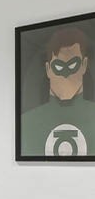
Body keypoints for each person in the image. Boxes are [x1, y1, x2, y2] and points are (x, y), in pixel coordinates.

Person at [21, 27, 95, 156]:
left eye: (72, 65)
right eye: (59, 66)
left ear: (84, 65)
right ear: (48, 69)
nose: (65, 75)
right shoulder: (26, 123)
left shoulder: (26, 122)